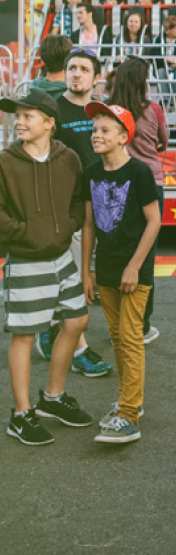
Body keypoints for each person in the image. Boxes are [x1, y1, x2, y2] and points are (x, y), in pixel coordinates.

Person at [0, 89, 93, 446]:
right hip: (25, 258)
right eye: (17, 116)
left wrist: (67, 224)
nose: (19, 122)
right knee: (24, 334)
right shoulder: (5, 161)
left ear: (49, 124)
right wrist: (27, 234)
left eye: (28, 116)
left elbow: (75, 201)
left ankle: (52, 399)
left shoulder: (68, 158)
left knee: (77, 320)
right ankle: (20, 415)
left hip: (61, 257)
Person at [82, 103, 161, 444]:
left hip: (134, 271)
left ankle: (129, 414)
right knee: (116, 336)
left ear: (123, 137)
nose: (96, 135)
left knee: (130, 337)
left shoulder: (139, 172)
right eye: (94, 129)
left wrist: (134, 265)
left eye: (104, 130)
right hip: (107, 269)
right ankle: (130, 400)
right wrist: (87, 271)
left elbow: (154, 221)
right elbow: (88, 224)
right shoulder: (90, 173)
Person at [35, 48, 112, 377]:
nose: (76, 74)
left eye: (83, 69)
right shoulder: (53, 110)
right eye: (71, 68)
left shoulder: (100, 111)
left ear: (96, 78)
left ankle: (51, 325)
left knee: (90, 277)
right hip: (67, 209)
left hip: (102, 206)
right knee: (75, 282)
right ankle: (79, 349)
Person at [111, 57, 168, 344]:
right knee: (145, 258)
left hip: (118, 184)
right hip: (151, 183)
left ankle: (118, 323)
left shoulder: (110, 112)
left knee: (117, 251)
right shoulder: (154, 109)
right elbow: (164, 141)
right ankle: (141, 326)